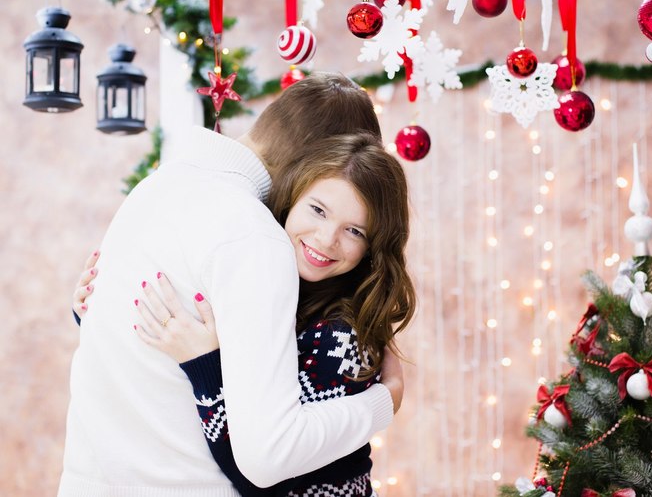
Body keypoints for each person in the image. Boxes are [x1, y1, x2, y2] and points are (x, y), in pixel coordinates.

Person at [59, 73, 405, 497]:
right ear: (317, 168)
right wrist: (384, 400)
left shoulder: (157, 187)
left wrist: (93, 315)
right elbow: (268, 457)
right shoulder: (254, 235)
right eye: (319, 207)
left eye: (354, 230)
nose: (326, 236)